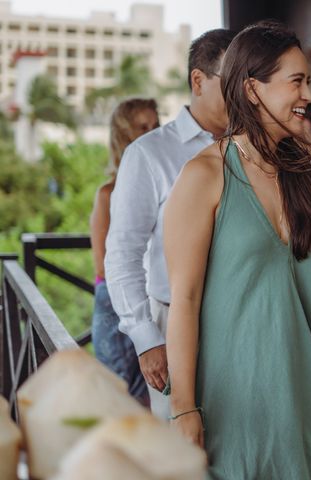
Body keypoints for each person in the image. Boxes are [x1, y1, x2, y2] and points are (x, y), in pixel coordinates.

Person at [163, 22, 311, 479]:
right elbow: (182, 299)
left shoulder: (300, 174)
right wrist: (184, 409)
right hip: (237, 395)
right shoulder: (203, 176)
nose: (308, 94)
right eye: (297, 81)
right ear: (253, 89)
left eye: (308, 81)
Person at [104, 29, 236, 419]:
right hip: (171, 322)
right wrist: (147, 339)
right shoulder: (148, 154)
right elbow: (123, 253)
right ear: (199, 81)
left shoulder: (253, 149)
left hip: (246, 321)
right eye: (234, 81)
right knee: (181, 452)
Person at [90, 97, 159, 404]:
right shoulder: (108, 193)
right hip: (116, 305)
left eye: (155, 126)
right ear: (123, 134)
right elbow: (103, 266)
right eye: (142, 127)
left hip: (151, 301)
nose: (150, 133)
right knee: (122, 399)